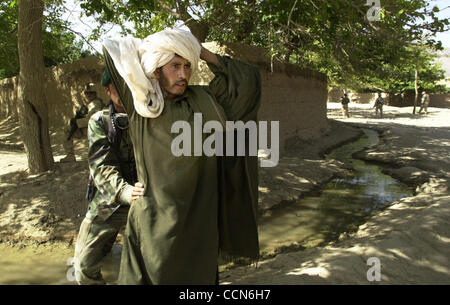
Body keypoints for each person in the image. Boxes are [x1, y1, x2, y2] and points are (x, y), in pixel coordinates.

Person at [103, 28, 261, 285]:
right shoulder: (142, 105)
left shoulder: (205, 100)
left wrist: (204, 52)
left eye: (187, 66)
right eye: (174, 65)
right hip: (154, 221)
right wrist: (152, 47)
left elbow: (248, 83)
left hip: (200, 219)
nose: (183, 74)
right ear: (156, 69)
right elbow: (112, 50)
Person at [73, 69, 144, 285]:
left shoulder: (150, 115)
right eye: (118, 86)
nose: (125, 90)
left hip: (147, 199)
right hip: (110, 202)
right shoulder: (100, 121)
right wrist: (125, 192)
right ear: (107, 89)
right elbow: (101, 167)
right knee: (84, 266)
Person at [60, 83, 107, 162]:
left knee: (67, 129)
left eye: (91, 93)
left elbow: (90, 119)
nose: (88, 95)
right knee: (68, 128)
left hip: (94, 129)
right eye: (87, 93)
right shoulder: (90, 103)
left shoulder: (95, 104)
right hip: (91, 127)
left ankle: (70, 155)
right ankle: (70, 155)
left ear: (95, 93)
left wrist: (76, 122)